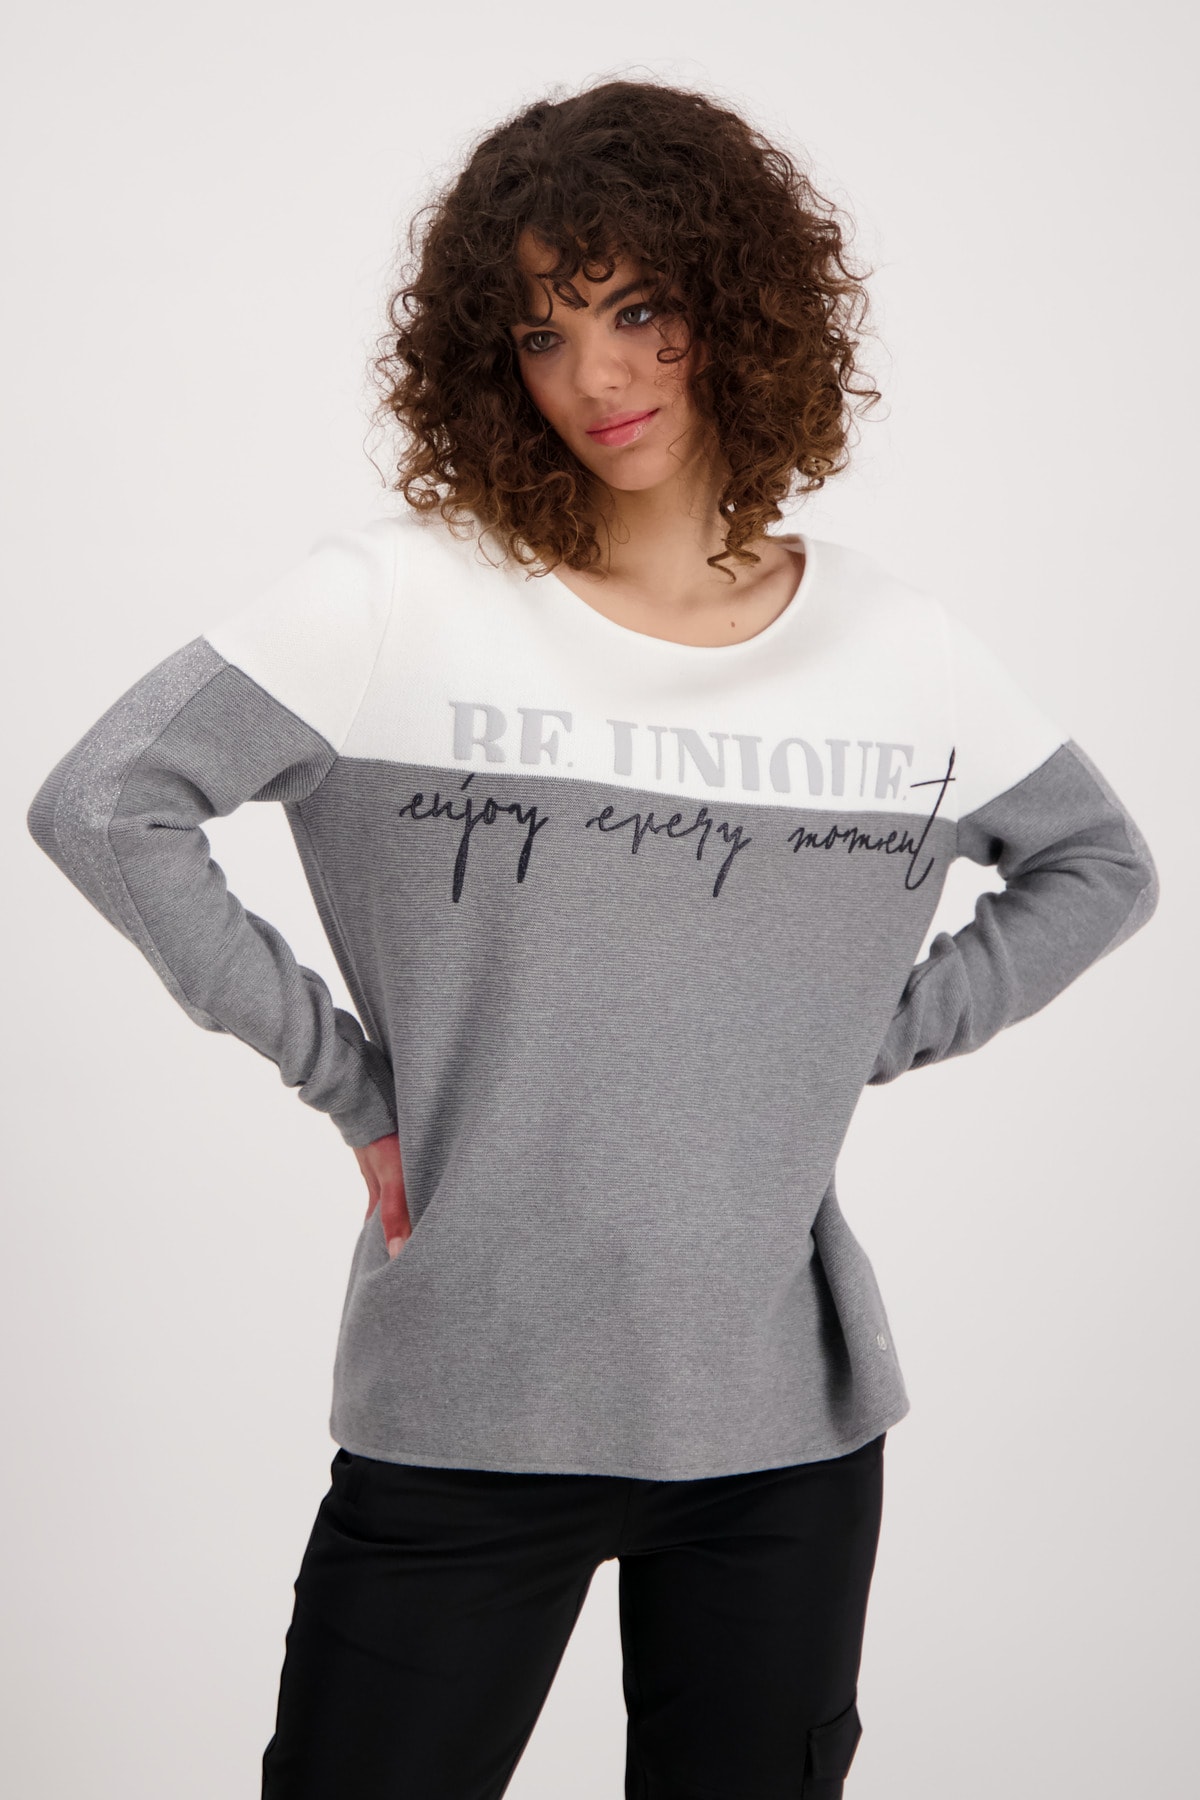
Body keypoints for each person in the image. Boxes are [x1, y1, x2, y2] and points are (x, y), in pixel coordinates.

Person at [26, 76, 1159, 1800]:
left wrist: (852, 1027)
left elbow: (1100, 866)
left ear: (740, 308)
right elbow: (108, 803)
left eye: (638, 311)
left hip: (783, 1435)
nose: (597, 377)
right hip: (467, 1403)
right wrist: (349, 1082)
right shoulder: (394, 604)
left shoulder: (899, 648)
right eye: (545, 334)